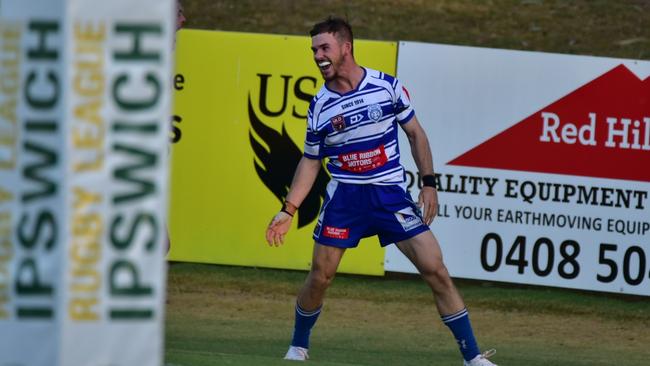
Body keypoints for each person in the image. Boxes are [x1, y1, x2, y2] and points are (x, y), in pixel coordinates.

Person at [264, 17, 498, 366]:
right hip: (345, 199)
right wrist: (289, 208)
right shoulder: (320, 105)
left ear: (346, 47)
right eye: (314, 50)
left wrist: (429, 184)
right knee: (321, 277)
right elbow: (310, 162)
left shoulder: (387, 87)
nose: (317, 56)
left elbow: (416, 134)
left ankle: (473, 357)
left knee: (436, 269)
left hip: (390, 196)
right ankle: (298, 347)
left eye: (324, 48)